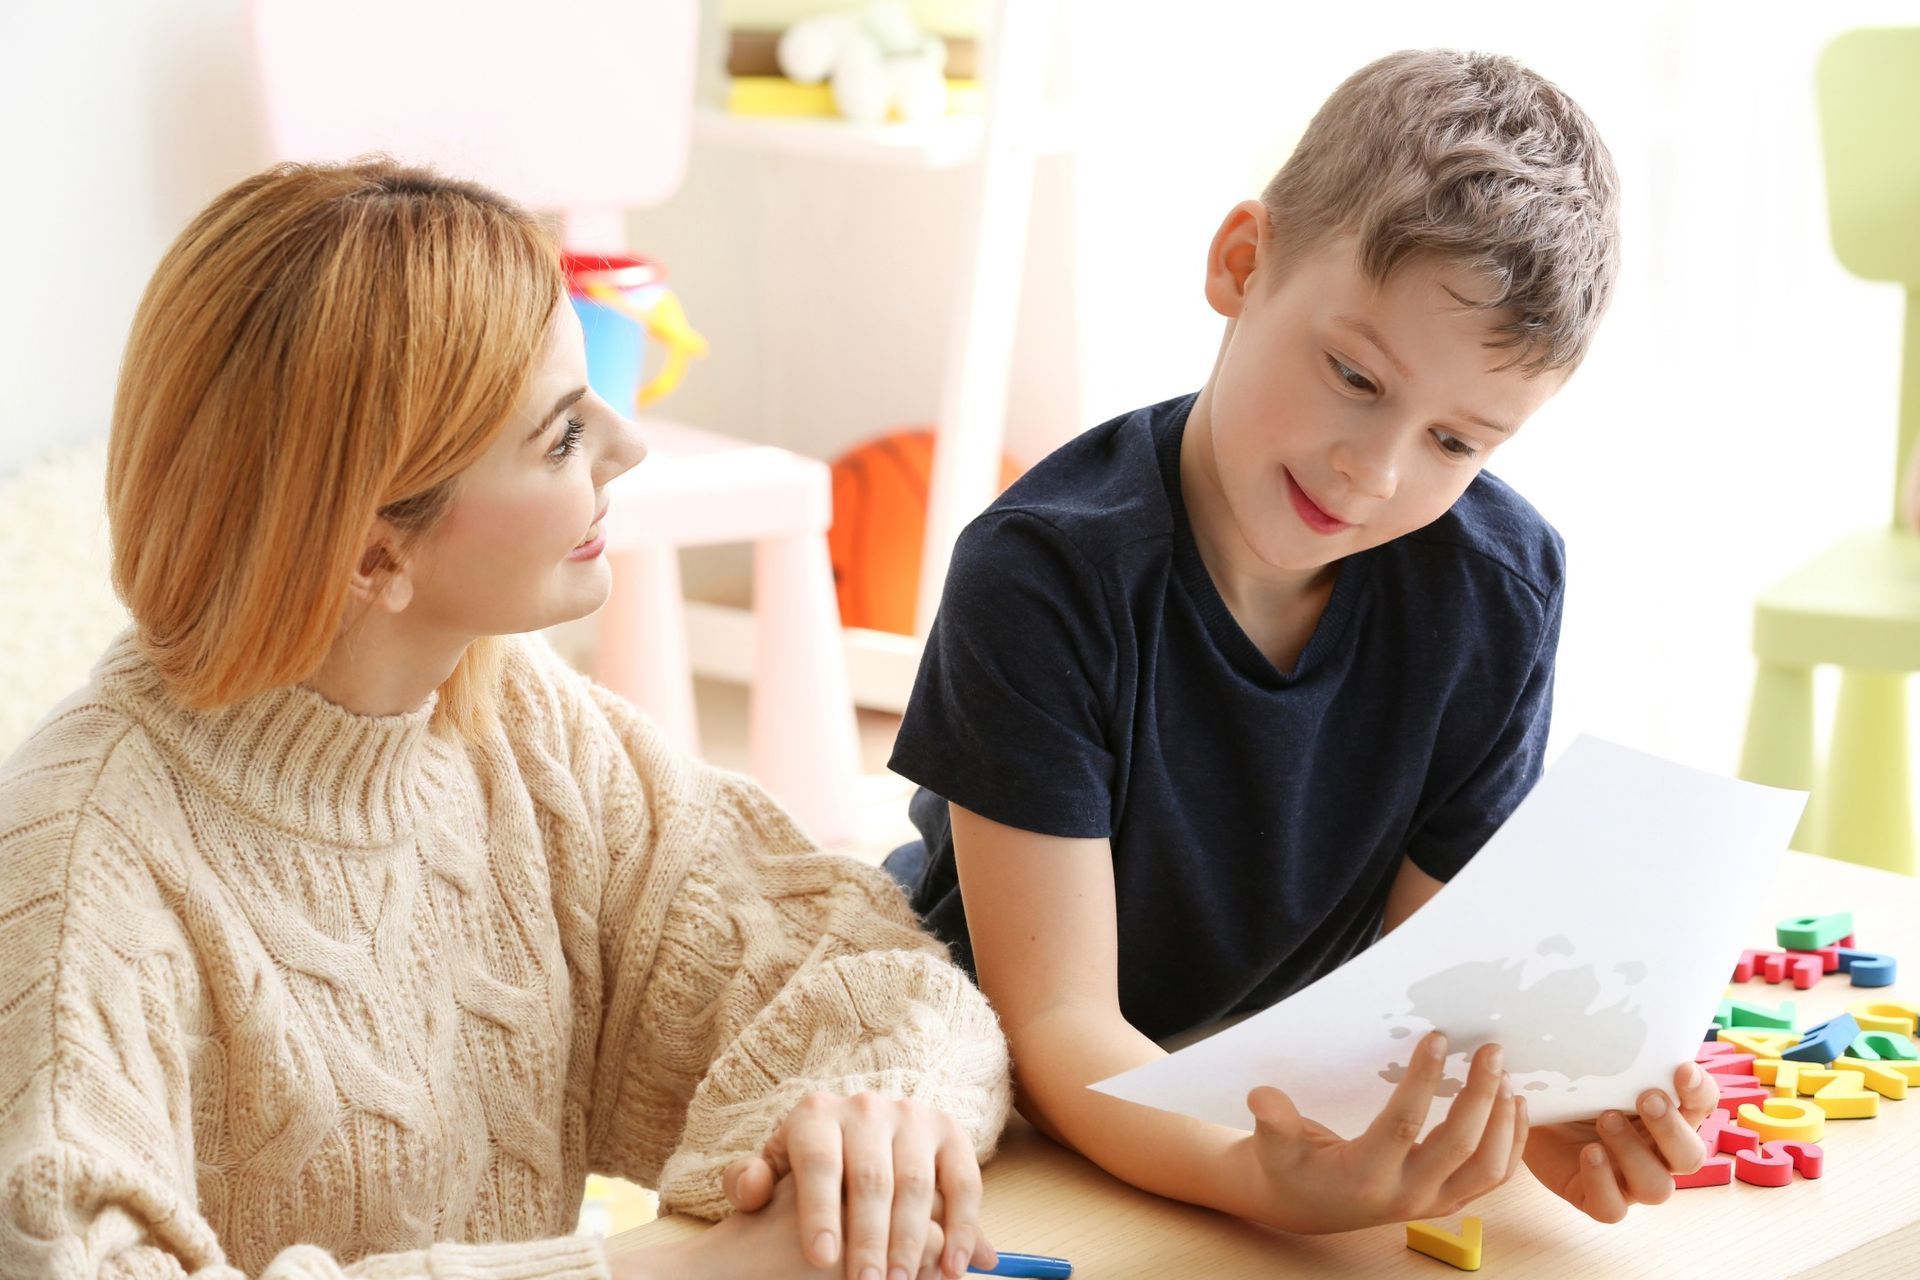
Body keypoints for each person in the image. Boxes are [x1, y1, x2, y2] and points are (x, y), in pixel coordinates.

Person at [0, 160, 1010, 1280]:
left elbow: (868, 971)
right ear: (374, 552)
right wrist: (666, 1271)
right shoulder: (77, 865)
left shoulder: (521, 725)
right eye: (564, 438)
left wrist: (872, 1122)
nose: (628, 450)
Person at [885, 50, 1714, 1233]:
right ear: (1241, 265)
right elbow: (1057, 1022)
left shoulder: (1500, 588)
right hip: (1009, 1084)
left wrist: (1539, 1108)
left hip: (1260, 1073)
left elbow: (1426, 988)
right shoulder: (1043, 573)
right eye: (1354, 375)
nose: (1373, 472)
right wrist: (1251, 1175)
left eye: (1457, 442)